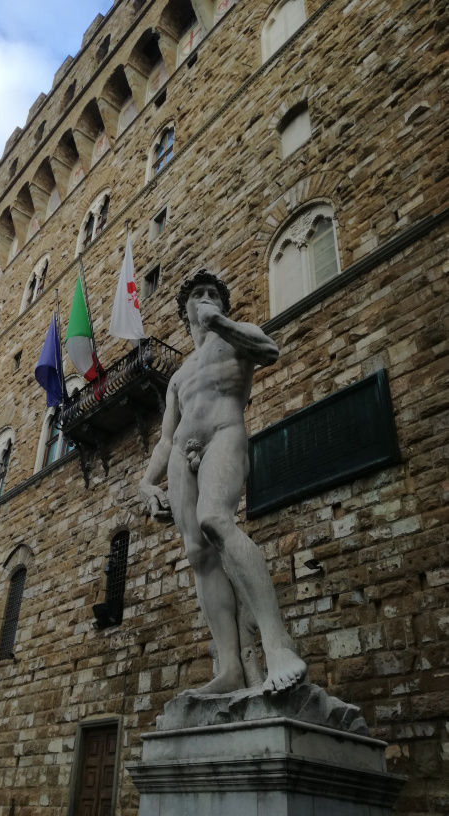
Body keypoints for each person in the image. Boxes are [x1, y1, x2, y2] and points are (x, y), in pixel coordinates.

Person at [140, 270, 307, 694]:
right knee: (198, 554)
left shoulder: (236, 334)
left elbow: (269, 350)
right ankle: (230, 667)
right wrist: (145, 483)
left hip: (224, 433)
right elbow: (163, 438)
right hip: (181, 452)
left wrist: (219, 322)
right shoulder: (178, 376)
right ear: (185, 312)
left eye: (213, 293)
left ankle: (277, 644)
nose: (206, 297)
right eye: (198, 294)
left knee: (216, 519)